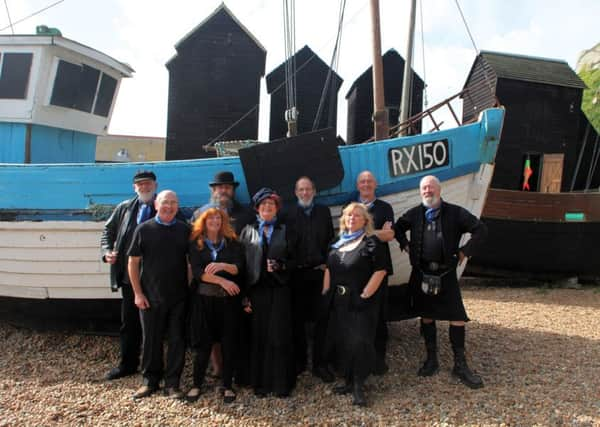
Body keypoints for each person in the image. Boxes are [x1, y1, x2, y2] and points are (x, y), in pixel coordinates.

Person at [394, 175, 487, 389]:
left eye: (431, 188)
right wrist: (405, 245)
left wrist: (465, 251)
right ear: (421, 192)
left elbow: (481, 229)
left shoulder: (455, 213)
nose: (427, 191)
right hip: (422, 273)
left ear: (439, 189)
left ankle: (460, 365)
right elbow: (398, 227)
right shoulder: (415, 213)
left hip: (446, 275)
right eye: (424, 188)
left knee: (457, 317)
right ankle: (431, 360)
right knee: (426, 316)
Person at [192, 171, 255, 382]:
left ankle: (235, 369)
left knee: (235, 328)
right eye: (220, 187)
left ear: (234, 190)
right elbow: (193, 245)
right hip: (207, 282)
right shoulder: (200, 213)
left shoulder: (246, 213)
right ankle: (217, 367)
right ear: (213, 190)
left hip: (237, 277)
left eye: (228, 187)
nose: (223, 191)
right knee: (211, 331)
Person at [128, 190, 191, 399]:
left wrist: (189, 288)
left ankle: (172, 384)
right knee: (151, 341)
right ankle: (150, 382)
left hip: (179, 297)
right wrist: (137, 293)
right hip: (150, 297)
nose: (169, 206)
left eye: (174, 202)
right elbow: (133, 263)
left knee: (177, 341)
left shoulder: (185, 230)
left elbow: (190, 263)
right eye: (165, 202)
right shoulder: (143, 229)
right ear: (156, 204)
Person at [323, 202, 387, 407]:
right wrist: (325, 293)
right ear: (344, 219)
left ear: (365, 221)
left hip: (360, 302)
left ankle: (359, 385)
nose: (352, 218)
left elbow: (380, 270)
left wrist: (365, 294)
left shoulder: (371, 242)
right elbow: (328, 270)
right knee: (343, 341)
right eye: (349, 215)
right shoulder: (336, 243)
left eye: (357, 216)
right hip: (338, 300)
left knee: (360, 342)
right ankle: (348, 381)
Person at [101, 170, 157, 381]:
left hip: (155, 277)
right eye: (140, 184)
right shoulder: (124, 208)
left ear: (155, 185)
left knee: (153, 325)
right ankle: (127, 364)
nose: (144, 187)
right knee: (129, 323)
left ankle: (151, 368)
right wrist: (107, 252)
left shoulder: (165, 207)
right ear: (135, 187)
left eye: (148, 184)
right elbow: (108, 232)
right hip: (128, 276)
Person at [239, 188, 296, 397]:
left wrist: (281, 265)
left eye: (271, 205)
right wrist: (244, 296)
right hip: (256, 291)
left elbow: (295, 260)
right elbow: (242, 265)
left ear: (276, 209)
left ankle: (281, 384)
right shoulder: (248, 231)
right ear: (257, 208)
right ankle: (260, 384)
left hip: (280, 289)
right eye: (263, 205)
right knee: (259, 336)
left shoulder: (285, 230)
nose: (267, 208)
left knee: (279, 336)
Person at [186, 207, 244, 404]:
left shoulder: (232, 243)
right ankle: (196, 384)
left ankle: (227, 385)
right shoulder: (196, 244)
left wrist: (223, 266)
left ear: (223, 221)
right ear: (204, 221)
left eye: (218, 218)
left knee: (229, 343)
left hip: (228, 302)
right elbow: (198, 273)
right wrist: (223, 281)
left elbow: (238, 268)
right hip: (205, 301)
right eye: (210, 218)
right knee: (204, 344)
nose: (215, 221)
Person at [284, 176, 335, 381]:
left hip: (318, 273)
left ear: (314, 191)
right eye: (301, 190)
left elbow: (331, 239)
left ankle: (320, 364)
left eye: (308, 189)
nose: (305, 193)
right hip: (296, 274)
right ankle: (300, 362)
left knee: (321, 320)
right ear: (296, 192)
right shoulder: (286, 213)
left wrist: (327, 264)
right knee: (297, 320)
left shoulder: (323, 212)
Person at [353, 170, 394, 375]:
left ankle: (379, 360)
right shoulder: (350, 207)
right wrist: (377, 232)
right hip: (356, 268)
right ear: (357, 185)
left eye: (370, 181)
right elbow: (346, 235)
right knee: (358, 314)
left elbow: (390, 235)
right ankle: (359, 360)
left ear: (375, 184)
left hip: (379, 267)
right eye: (362, 181)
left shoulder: (385, 207)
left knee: (378, 315)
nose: (366, 184)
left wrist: (364, 232)